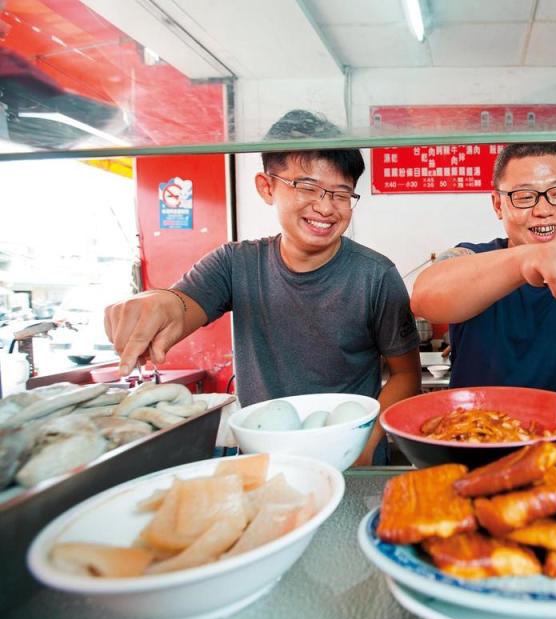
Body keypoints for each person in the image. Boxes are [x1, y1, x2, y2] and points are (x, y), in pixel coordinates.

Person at [104, 110, 421, 465]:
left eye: (341, 194)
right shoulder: (236, 263)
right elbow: (181, 303)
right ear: (266, 187)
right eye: (307, 187)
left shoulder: (375, 275)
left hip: (351, 458)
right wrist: (158, 301)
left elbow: (406, 373)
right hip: (262, 461)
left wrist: (366, 444)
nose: (325, 206)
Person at [410, 143, 556, 463]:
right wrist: (531, 258)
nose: (544, 209)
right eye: (524, 196)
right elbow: (424, 296)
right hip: (472, 464)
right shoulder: (473, 258)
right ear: (497, 204)